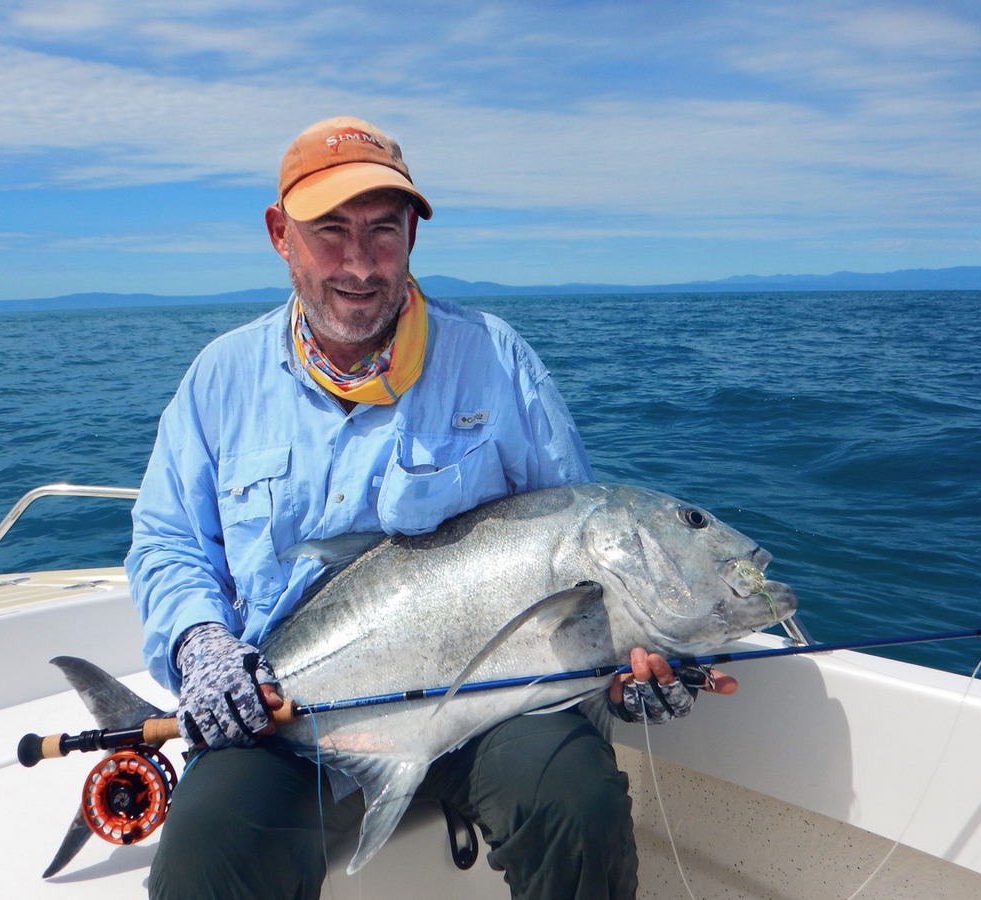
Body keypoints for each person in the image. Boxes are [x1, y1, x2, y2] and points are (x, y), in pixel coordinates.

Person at [126, 116, 735, 900]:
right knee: (204, 853)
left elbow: (580, 545)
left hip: (494, 705)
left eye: (383, 231)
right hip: (292, 713)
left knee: (577, 804)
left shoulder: (495, 359)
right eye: (329, 232)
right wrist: (203, 647)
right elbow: (169, 543)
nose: (358, 264)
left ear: (413, 233)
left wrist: (635, 658)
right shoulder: (221, 380)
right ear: (281, 235)